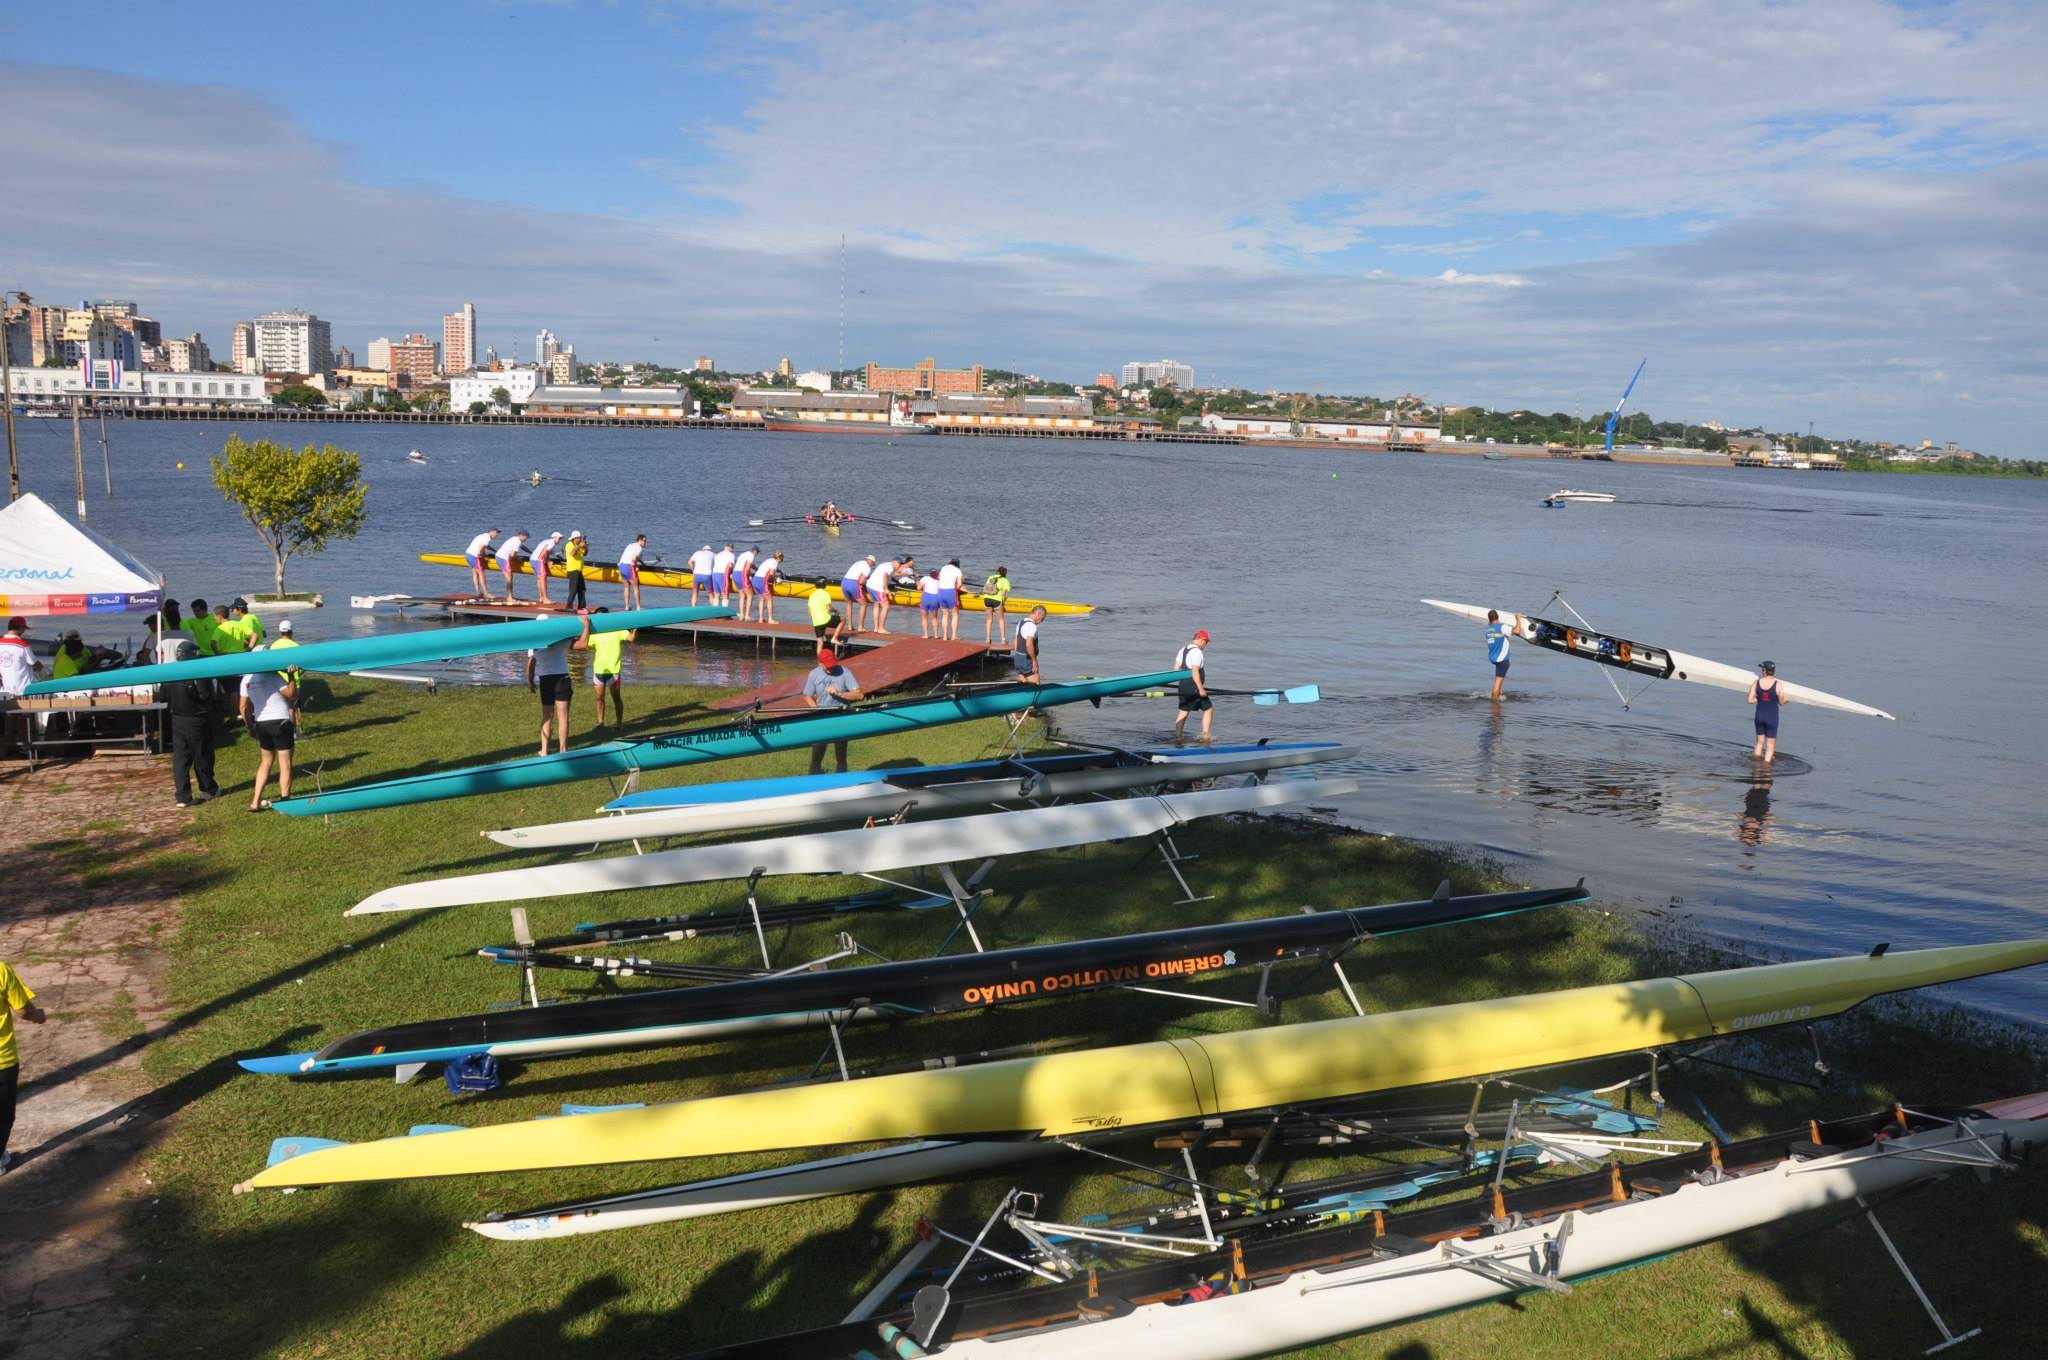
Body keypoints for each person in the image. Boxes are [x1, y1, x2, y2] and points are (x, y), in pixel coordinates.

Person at [2, 955, 48, 1174]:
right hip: (2, 1061)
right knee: (3, 1114)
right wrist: (37, 1016)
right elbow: (23, 1010)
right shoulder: (1, 971)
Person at [162, 637, 220, 807]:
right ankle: (208, 789)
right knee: (202, 755)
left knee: (180, 759)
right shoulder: (197, 672)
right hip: (196, 718)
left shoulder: (170, 673)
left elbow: (163, 696)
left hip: (177, 719)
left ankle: (182, 796)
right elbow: (205, 695)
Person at [238, 650, 299, 810]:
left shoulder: (246, 679)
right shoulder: (272, 676)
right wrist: (292, 676)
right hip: (280, 721)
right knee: (285, 763)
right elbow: (291, 694)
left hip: (261, 723)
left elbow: (243, 706)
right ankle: (285, 801)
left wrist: (249, 726)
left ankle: (255, 802)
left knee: (265, 762)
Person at [527, 610, 591, 755]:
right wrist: (586, 624)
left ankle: (544, 750)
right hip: (562, 679)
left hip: (546, 680)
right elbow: (582, 644)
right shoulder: (559, 638)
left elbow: (531, 663)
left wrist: (530, 681)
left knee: (547, 716)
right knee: (563, 717)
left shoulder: (533, 643)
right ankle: (563, 750)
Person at [800, 647, 864, 774]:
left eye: (832, 665)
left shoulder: (845, 672)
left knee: (841, 752)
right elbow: (807, 695)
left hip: (841, 715)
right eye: (827, 666)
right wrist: (815, 708)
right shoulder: (814, 674)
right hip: (821, 715)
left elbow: (859, 695)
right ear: (820, 663)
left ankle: (841, 779)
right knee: (817, 751)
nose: (831, 668)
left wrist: (839, 693)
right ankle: (814, 778)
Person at [586, 606, 633, 729]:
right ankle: (600, 722)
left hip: (614, 670)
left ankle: (619, 724)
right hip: (599, 670)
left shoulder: (617, 630)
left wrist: (636, 626)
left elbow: (631, 638)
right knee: (599, 698)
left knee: (616, 698)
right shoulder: (595, 633)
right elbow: (584, 644)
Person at [1173, 628, 1213, 746]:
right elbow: (1195, 671)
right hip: (1194, 686)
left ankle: (1178, 737)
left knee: (1183, 712)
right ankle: (1205, 736)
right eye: (1206, 642)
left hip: (1183, 685)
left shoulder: (1182, 650)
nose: (1206, 645)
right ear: (1201, 640)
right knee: (1209, 708)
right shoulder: (1197, 652)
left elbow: (1175, 669)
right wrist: (1201, 689)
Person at [1749, 660, 1790, 764]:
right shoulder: (1778, 684)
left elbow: (1750, 700)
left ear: (1764, 670)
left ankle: (1756, 764)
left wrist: (1761, 699)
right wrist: (1785, 701)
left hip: (1759, 716)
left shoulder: (1756, 682)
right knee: (1770, 746)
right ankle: (1766, 768)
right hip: (1772, 718)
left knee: (1759, 744)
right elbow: (1781, 702)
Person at [270, 619, 304, 724]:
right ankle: (294, 731)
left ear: (280, 632)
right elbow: (302, 668)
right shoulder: (296, 646)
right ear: (291, 632)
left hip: (278, 683)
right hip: (294, 683)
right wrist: (297, 673)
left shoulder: (273, 646)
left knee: (281, 708)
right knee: (293, 707)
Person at [1485, 609, 1523, 701]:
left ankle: (1497, 692)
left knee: (1498, 681)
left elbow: (1497, 636)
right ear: (1498, 617)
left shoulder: (1488, 631)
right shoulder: (1502, 627)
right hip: (1502, 660)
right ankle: (1495, 705)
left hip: (1494, 658)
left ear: (1489, 619)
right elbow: (1517, 631)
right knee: (1498, 684)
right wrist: (1518, 619)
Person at [1, 617, 44, 697]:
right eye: (24, 628)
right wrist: (40, 667)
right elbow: (36, 664)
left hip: (5, 691)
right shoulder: (22, 645)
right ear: (21, 628)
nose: (24, 631)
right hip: (23, 691)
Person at [867, 555, 905, 635]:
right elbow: (885, 575)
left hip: (869, 585)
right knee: (886, 605)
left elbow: (890, 576)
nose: (900, 565)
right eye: (899, 564)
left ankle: (876, 628)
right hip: (877, 588)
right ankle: (881, 628)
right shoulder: (890, 567)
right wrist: (885, 589)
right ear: (895, 562)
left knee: (876, 604)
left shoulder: (885, 564)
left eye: (901, 564)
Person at [1012, 605, 1047, 683]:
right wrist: (1034, 661)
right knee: (1035, 687)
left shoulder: (1021, 622)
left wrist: (1017, 656)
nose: (1042, 621)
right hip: (1027, 659)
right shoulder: (1032, 626)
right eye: (1042, 618)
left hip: (1018, 658)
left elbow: (1015, 641)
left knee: (1022, 687)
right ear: (1038, 614)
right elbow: (1028, 644)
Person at [842, 554, 876, 631]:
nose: (872, 566)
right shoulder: (867, 568)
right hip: (853, 584)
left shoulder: (858, 562)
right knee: (864, 604)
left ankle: (850, 626)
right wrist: (865, 587)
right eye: (873, 564)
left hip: (844, 582)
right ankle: (861, 627)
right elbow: (860, 582)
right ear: (871, 562)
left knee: (849, 603)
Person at [982, 566, 1012, 646]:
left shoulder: (991, 577)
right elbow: (1003, 595)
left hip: (987, 599)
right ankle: (1003, 639)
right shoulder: (1005, 580)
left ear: (997, 572)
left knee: (989, 619)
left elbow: (986, 588)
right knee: (1001, 620)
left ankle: (988, 639)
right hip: (997, 600)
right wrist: (1003, 604)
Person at [531, 532, 564, 606]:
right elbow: (545, 552)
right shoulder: (551, 542)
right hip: (538, 560)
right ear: (554, 537)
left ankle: (541, 598)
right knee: (543, 578)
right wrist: (548, 562)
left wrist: (559, 554)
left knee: (539, 578)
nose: (560, 540)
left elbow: (550, 553)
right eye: (559, 538)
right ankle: (545, 599)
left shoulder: (547, 541)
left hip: (533, 559)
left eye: (561, 538)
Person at [465, 529, 499, 599]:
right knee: (481, 573)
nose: (497, 535)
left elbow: (486, 546)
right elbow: (481, 548)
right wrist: (483, 556)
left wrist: (495, 551)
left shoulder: (483, 536)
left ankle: (478, 592)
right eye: (496, 533)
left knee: (474, 572)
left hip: (468, 554)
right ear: (491, 532)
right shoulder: (487, 538)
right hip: (474, 556)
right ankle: (486, 594)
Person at [618, 533, 648, 610]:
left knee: (626, 586)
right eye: (644, 541)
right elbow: (634, 559)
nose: (645, 543)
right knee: (636, 587)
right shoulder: (639, 547)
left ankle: (627, 606)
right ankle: (638, 607)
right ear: (640, 540)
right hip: (629, 566)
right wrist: (636, 566)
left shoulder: (630, 545)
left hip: (621, 566)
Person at [937, 558, 965, 641]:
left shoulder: (943, 568)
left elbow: (939, 578)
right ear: (957, 565)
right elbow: (959, 585)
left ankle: (945, 636)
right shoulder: (958, 570)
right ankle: (954, 636)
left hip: (941, 592)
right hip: (951, 592)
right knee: (955, 614)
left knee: (945, 615)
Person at [754, 551, 785, 624]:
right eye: (782, 559)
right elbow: (771, 573)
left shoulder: (768, 560)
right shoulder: (774, 562)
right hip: (762, 580)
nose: (781, 561)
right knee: (769, 599)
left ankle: (761, 619)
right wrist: (776, 579)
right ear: (779, 558)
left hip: (755, 579)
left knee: (762, 599)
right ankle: (770, 619)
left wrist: (776, 572)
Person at [562, 531, 590, 611]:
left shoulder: (579, 545)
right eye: (578, 538)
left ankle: (582, 607)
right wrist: (579, 546)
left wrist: (585, 547)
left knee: (582, 589)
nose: (580, 539)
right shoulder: (569, 545)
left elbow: (585, 554)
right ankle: (569, 607)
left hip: (579, 570)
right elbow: (572, 553)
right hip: (572, 570)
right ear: (574, 538)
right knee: (573, 589)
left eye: (580, 538)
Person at [498, 530, 529, 601]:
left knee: (510, 576)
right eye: (526, 538)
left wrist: (531, 552)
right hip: (503, 558)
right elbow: (512, 555)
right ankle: (509, 597)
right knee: (508, 577)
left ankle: (510, 596)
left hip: (502, 557)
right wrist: (518, 560)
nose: (526, 539)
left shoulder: (515, 538)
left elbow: (523, 547)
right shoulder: (517, 542)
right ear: (522, 536)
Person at [732, 545, 758, 620]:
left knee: (742, 595)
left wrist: (757, 569)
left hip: (735, 574)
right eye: (757, 553)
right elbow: (747, 568)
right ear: (755, 551)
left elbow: (750, 565)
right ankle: (747, 616)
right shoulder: (751, 555)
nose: (757, 555)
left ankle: (741, 615)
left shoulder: (743, 554)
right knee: (750, 595)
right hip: (742, 574)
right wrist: (749, 576)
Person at [917, 566, 942, 638]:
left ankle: (926, 635)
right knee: (934, 618)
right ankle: (936, 635)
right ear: (936, 573)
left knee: (924, 618)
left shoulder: (925, 578)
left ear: (929, 574)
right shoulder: (940, 580)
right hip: (935, 598)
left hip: (926, 598)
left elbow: (919, 588)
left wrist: (917, 582)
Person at [712, 542, 737, 610]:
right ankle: (724, 612)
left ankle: (715, 611)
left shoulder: (718, 555)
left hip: (714, 574)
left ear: (725, 547)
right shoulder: (731, 555)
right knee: (725, 594)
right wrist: (732, 573)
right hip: (723, 574)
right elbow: (730, 565)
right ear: (731, 548)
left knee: (716, 594)